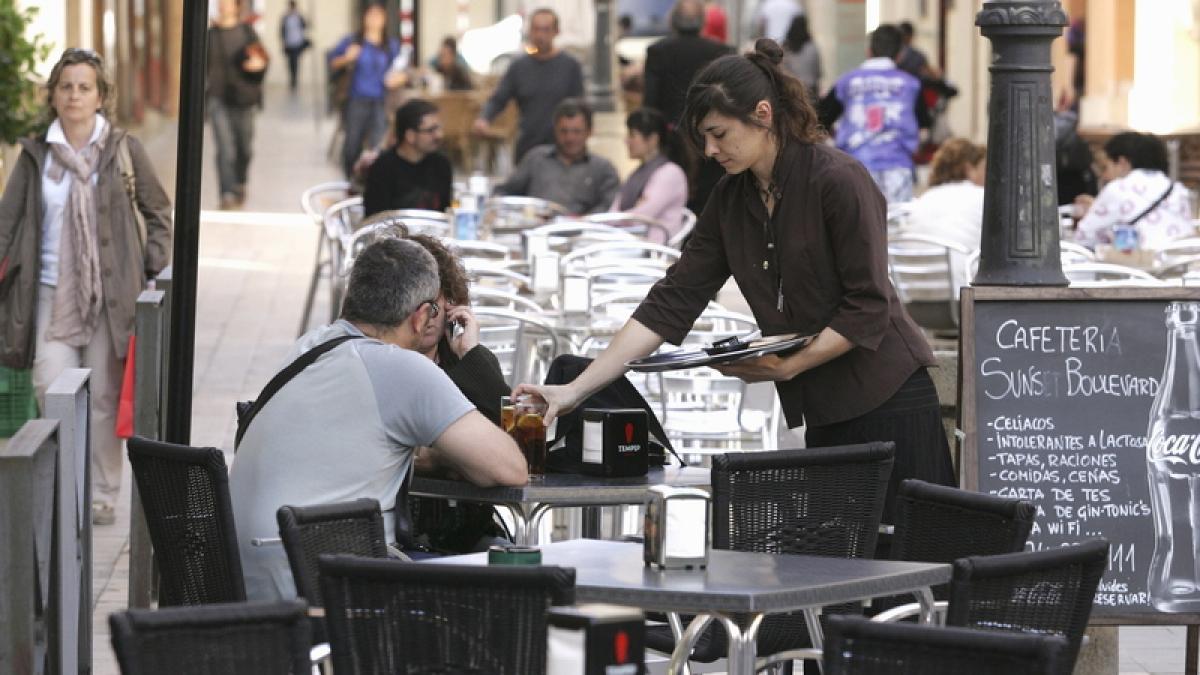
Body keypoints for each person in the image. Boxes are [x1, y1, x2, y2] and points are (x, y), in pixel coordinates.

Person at [515, 40, 955, 523]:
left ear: (763, 115)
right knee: (841, 572)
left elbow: (868, 306)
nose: (709, 150)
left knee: (913, 566)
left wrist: (791, 367)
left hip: (890, 397)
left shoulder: (838, 180)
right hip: (827, 408)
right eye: (703, 137)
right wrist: (574, 391)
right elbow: (671, 302)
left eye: (719, 134)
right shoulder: (732, 199)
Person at [230, 238, 527, 601]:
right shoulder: (401, 368)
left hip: (246, 579)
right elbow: (510, 468)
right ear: (420, 316)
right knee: (507, 586)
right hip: (324, 590)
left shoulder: (310, 347)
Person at [0, 48, 173, 526]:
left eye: (84, 87)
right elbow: (6, 224)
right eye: (66, 86)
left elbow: (159, 212)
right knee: (51, 388)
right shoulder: (35, 155)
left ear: (101, 96)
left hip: (110, 297)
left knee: (101, 397)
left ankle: (100, 492)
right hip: (49, 293)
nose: (74, 95)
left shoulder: (123, 150)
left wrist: (154, 270)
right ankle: (62, 485)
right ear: (53, 96)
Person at [405, 234, 513, 553]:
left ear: (450, 304)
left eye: (433, 309)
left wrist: (472, 353)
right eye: (414, 308)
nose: (423, 321)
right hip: (408, 534)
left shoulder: (467, 362)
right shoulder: (386, 361)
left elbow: (511, 436)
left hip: (470, 529)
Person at [643, 0, 731, 213]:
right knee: (709, 204)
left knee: (671, 205)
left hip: (672, 143)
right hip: (711, 143)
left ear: (673, 21)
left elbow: (650, 103)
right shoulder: (722, 52)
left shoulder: (658, 51)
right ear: (702, 22)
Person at [819, 24, 923, 203]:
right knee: (896, 228)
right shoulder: (911, 84)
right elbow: (924, 123)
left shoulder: (847, 82)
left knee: (859, 228)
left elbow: (821, 117)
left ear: (868, 51)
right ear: (900, 55)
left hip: (855, 167)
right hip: (897, 168)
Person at [473, 8, 584, 163]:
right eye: (536, 29)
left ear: (556, 32)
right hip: (528, 146)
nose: (540, 36)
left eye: (546, 30)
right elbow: (499, 98)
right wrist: (485, 118)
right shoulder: (519, 67)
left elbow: (580, 106)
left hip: (562, 148)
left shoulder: (570, 66)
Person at [494, 98, 619, 215]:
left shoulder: (602, 169)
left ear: (589, 132)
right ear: (555, 131)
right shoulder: (536, 159)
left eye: (577, 132)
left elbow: (612, 206)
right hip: (536, 229)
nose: (570, 138)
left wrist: (582, 221)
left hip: (582, 233)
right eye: (564, 131)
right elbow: (504, 192)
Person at [1075, 132, 1196, 250]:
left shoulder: (1117, 189)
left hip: (1138, 267)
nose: (1104, 176)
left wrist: (1094, 209)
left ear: (1122, 163)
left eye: (1106, 167)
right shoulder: (1178, 190)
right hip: (1181, 264)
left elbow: (1084, 238)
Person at [328, 3, 406, 178]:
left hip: (380, 101)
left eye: (378, 16)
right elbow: (333, 62)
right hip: (356, 99)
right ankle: (350, 179)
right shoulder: (353, 41)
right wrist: (347, 58)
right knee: (352, 145)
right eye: (371, 15)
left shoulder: (390, 45)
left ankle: (372, 181)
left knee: (377, 145)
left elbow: (402, 69)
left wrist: (399, 78)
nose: (374, 20)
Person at [899, 138, 986, 291]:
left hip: (911, 292)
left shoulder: (924, 199)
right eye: (983, 168)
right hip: (960, 295)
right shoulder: (981, 197)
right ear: (968, 169)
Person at [207, 0, 268, 210]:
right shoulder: (209, 36)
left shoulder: (247, 32)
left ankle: (240, 182)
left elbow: (262, 59)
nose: (223, 4)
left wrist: (258, 64)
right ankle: (227, 193)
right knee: (225, 149)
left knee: (245, 149)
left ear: (237, 6)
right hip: (217, 98)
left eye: (228, 1)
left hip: (244, 99)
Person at [611, 107, 689, 243]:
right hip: (631, 243)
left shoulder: (670, 173)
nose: (626, 140)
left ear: (653, 139)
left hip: (652, 250)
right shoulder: (637, 173)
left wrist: (609, 222)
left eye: (632, 135)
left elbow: (640, 217)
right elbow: (615, 212)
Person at [363, 99, 452, 216]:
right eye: (431, 130)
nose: (439, 135)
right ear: (410, 136)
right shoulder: (383, 168)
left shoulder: (442, 164)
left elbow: (445, 213)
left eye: (438, 128)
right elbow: (375, 220)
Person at [781, 14, 821, 99]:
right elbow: (817, 72)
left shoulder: (785, 48)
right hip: (810, 90)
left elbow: (782, 70)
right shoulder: (812, 48)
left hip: (791, 91)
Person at [279, 1, 309, 92]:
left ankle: (295, 80)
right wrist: (283, 42)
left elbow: (305, 26)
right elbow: (282, 31)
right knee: (290, 63)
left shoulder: (299, 16)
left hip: (297, 43)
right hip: (289, 43)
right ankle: (292, 80)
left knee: (295, 62)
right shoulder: (285, 17)